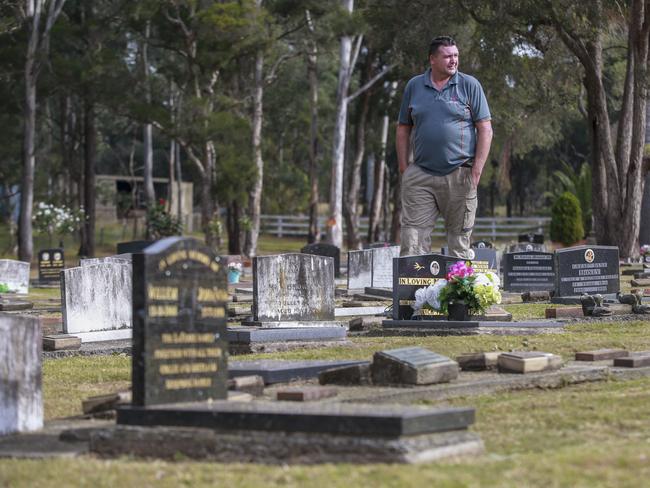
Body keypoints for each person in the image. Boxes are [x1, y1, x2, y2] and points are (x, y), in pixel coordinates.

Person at [396, 36, 493, 258]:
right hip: (421, 175)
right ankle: (413, 291)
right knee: (413, 240)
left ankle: (457, 292)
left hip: (460, 173)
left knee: (459, 242)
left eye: (456, 55)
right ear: (432, 59)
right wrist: (405, 168)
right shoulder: (414, 86)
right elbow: (403, 128)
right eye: (447, 56)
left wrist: (476, 169)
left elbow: (485, 129)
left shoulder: (470, 85)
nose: (453, 60)